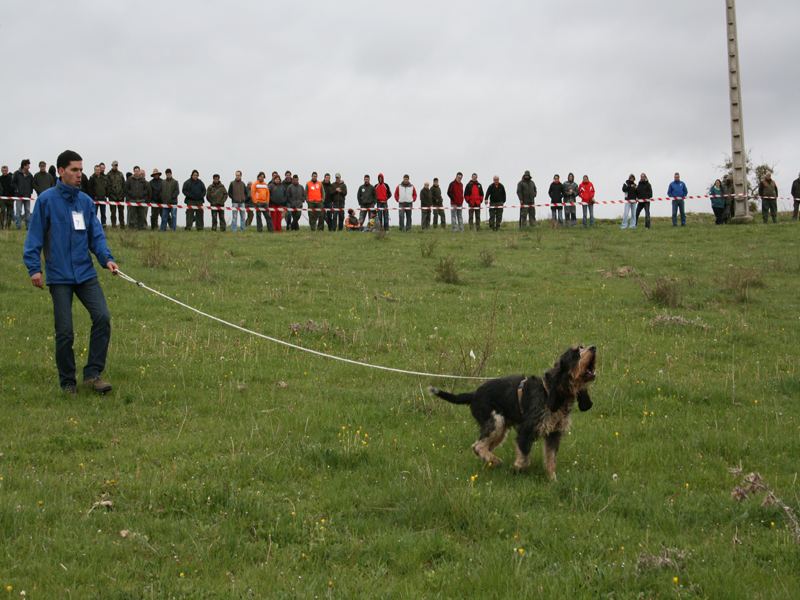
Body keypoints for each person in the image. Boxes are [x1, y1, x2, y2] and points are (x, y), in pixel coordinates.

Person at [23, 149, 119, 394]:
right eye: (74, 170)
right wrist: (35, 269)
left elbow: (95, 235)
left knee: (103, 318)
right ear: (61, 171)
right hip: (59, 276)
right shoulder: (45, 200)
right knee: (64, 331)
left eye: (81, 169)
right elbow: (33, 238)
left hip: (85, 274)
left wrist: (106, 258)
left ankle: (92, 375)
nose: (79, 174)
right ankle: (68, 383)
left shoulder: (85, 202)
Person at [124, 166, 150, 231]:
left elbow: (147, 189)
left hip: (141, 200)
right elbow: (126, 189)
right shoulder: (130, 180)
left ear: (139, 171)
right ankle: (131, 228)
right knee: (132, 215)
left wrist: (142, 194)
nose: (136, 172)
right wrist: (131, 193)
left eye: (138, 171)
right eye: (135, 171)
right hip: (132, 200)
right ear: (134, 172)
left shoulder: (143, 180)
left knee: (141, 215)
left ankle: (141, 228)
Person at [12, 159, 34, 230]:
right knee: (18, 211)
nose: (29, 167)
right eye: (28, 165)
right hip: (19, 196)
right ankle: (18, 226)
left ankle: (28, 226)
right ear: (24, 166)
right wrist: (16, 189)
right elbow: (12, 183)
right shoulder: (16, 174)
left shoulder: (30, 175)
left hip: (27, 196)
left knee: (27, 211)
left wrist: (30, 192)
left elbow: (32, 184)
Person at [106, 160, 126, 228]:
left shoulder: (120, 174)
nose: (115, 166)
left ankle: (122, 225)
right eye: (114, 165)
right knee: (113, 212)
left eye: (116, 165)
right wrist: (110, 194)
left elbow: (124, 184)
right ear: (112, 165)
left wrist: (123, 193)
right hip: (112, 196)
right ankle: (114, 225)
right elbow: (107, 186)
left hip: (120, 196)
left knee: (121, 212)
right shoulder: (108, 175)